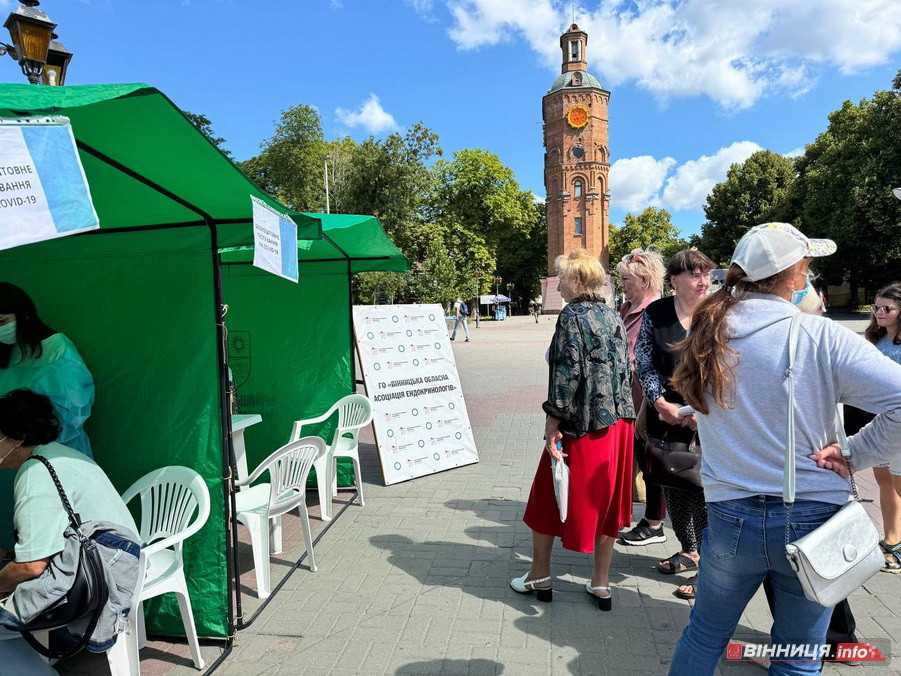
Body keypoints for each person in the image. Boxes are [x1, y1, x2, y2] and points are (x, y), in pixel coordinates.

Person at [668, 223, 901, 675]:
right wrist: (856, 453)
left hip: (731, 511)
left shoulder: (708, 333)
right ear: (795, 274)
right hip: (814, 513)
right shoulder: (820, 336)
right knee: (799, 655)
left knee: (704, 635)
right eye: (806, 264)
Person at [511, 249, 635, 611]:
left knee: (546, 498)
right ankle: (600, 582)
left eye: (562, 278)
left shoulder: (572, 316)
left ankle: (540, 576)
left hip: (581, 425)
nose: (559, 284)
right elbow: (624, 371)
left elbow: (567, 373)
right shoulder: (613, 315)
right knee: (608, 503)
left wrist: (553, 420)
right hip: (617, 424)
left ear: (578, 280)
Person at [0, 389, 140, 674]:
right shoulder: (59, 454)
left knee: (7, 618)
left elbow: (33, 565)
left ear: (14, 439)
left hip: (100, 575)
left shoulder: (34, 474)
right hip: (119, 562)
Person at [635, 248, 715, 599]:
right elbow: (645, 361)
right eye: (694, 274)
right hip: (665, 413)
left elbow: (731, 366)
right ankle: (689, 549)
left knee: (705, 492)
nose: (703, 281)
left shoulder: (719, 314)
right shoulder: (657, 312)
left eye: (706, 274)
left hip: (709, 418)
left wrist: (705, 409)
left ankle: (712, 570)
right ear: (674, 281)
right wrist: (658, 402)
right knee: (673, 481)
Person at [843, 282, 901, 572]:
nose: (879, 313)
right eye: (876, 307)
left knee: (899, 484)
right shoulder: (875, 339)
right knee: (884, 482)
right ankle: (892, 540)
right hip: (880, 424)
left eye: (886, 308)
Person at [0, 284, 94, 457]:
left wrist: (20, 440)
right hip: (11, 456)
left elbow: (72, 415)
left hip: (56, 454)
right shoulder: (8, 351)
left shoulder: (57, 351)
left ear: (24, 315)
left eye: (2, 322)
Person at [615, 249, 668, 547]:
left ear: (645, 279)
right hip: (627, 400)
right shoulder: (625, 309)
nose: (622, 283)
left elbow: (650, 357)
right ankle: (644, 518)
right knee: (639, 461)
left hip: (647, 401)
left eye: (626, 279)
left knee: (651, 463)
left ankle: (654, 522)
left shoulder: (655, 311)